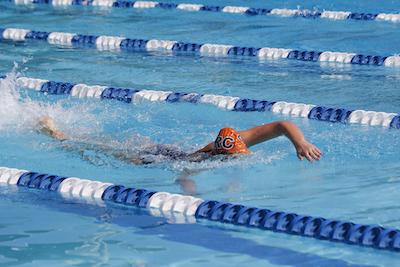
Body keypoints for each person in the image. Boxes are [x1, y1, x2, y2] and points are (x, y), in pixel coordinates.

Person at [37, 116, 322, 164]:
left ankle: (65, 134)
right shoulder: (211, 157)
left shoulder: (241, 139)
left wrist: (300, 142)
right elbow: (184, 170)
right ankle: (59, 136)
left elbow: (283, 124)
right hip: (157, 160)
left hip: (172, 151)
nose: (244, 155)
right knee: (106, 152)